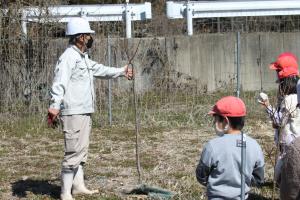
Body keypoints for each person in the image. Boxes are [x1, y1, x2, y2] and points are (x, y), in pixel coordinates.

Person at [47, 17, 133, 200]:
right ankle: (65, 193)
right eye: (87, 35)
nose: (89, 38)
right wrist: (54, 106)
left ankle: (78, 187)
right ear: (79, 37)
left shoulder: (82, 57)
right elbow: (59, 82)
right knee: (72, 152)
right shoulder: (68, 57)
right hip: (73, 112)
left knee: (82, 150)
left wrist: (121, 71)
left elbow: (100, 69)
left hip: (85, 110)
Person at [196, 96, 265, 200]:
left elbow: (201, 175)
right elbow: (259, 178)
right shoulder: (254, 145)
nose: (214, 123)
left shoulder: (212, 146)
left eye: (216, 119)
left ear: (226, 121)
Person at [259, 52, 300, 183]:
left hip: (290, 145)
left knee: (281, 178)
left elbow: (279, 121)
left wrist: (267, 106)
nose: (276, 74)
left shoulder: (289, 99)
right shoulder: (294, 96)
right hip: (292, 143)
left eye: (277, 71)